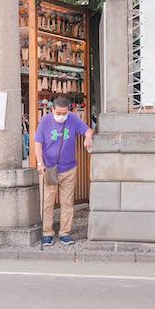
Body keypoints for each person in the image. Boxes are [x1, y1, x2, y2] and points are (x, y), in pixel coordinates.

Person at [34, 96, 94, 247]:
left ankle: (65, 233)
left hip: (68, 168)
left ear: (69, 110)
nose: (61, 116)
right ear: (52, 109)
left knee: (67, 202)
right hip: (49, 168)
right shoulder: (45, 121)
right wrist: (40, 162)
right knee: (47, 202)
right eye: (59, 113)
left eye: (64, 113)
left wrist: (88, 137)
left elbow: (88, 130)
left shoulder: (73, 119)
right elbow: (37, 144)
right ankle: (47, 233)